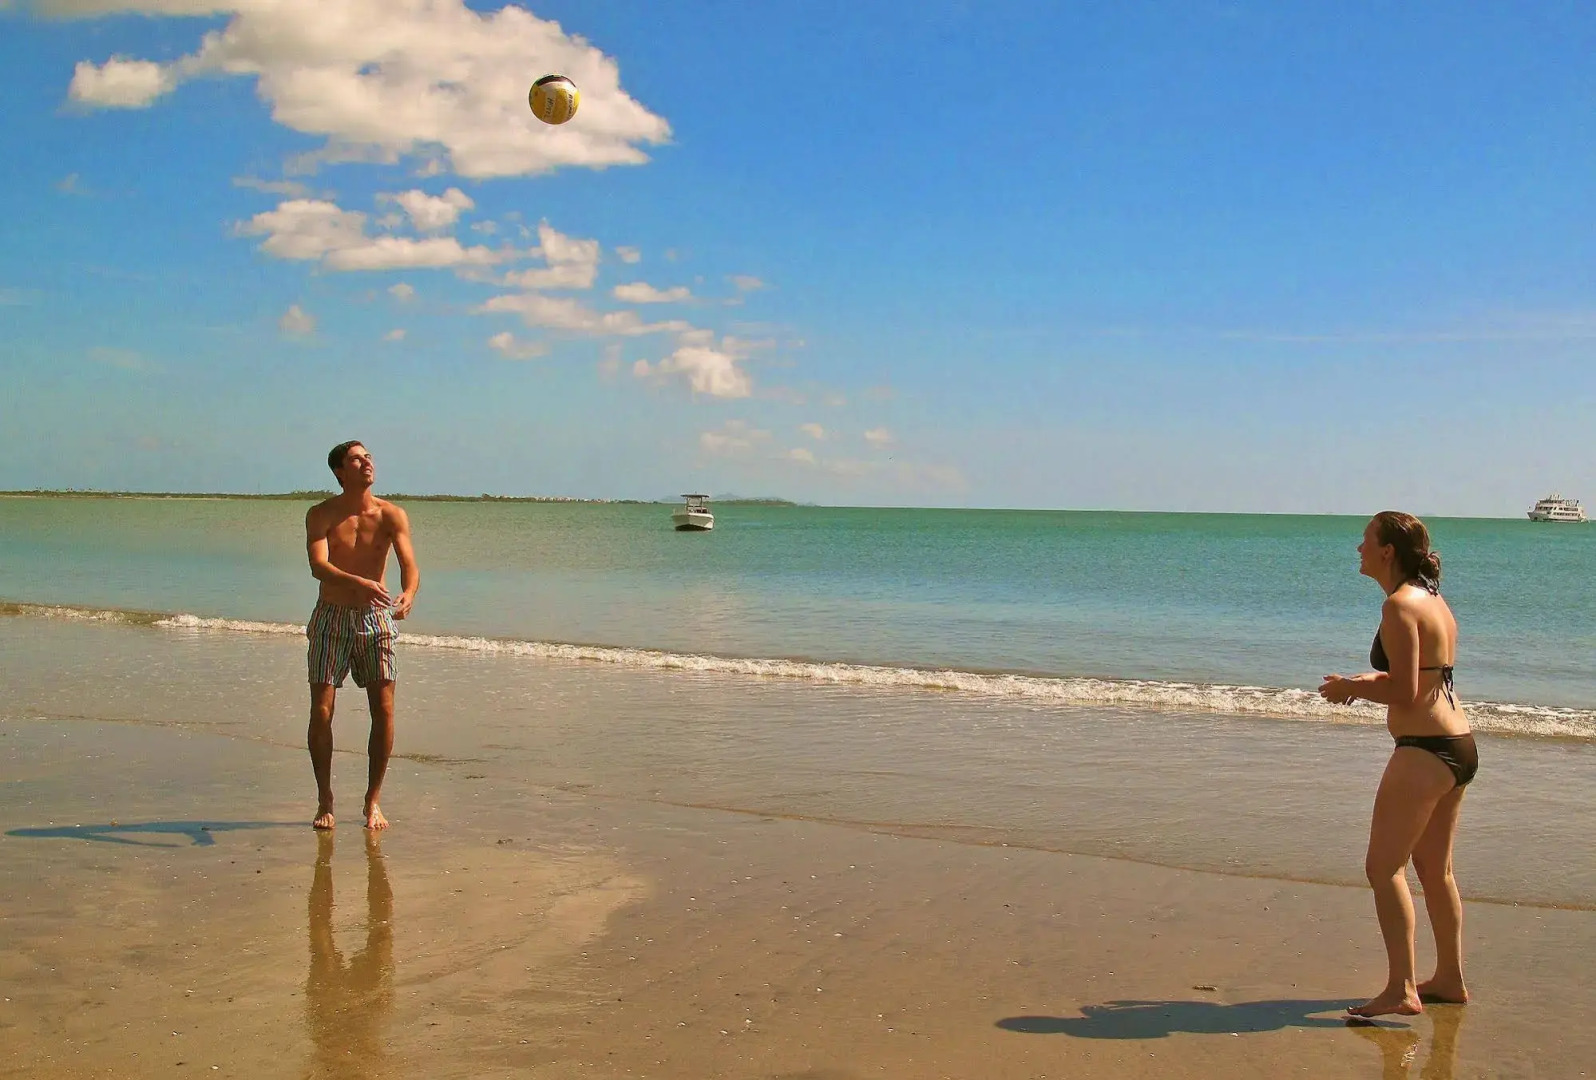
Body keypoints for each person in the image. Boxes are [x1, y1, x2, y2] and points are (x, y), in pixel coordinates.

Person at [1319, 511, 1475, 1018]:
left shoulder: (1397, 605)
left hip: (1424, 748)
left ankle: (1402, 989)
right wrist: (1366, 683)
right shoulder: (1431, 601)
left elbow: (1406, 690)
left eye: (1366, 541)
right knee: (1435, 869)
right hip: (1457, 744)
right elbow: (1424, 677)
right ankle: (1449, 978)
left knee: (1382, 867)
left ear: (1388, 551)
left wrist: (1351, 687)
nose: (1358, 548)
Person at [305, 440, 419, 831]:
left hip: (377, 619)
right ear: (339, 471)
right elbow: (318, 566)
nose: (367, 462)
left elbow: (409, 564)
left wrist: (409, 595)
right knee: (322, 710)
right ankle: (325, 799)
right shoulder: (321, 514)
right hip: (330, 618)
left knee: (383, 710)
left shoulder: (391, 514)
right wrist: (359, 581)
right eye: (357, 458)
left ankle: (373, 801)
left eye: (368, 456)